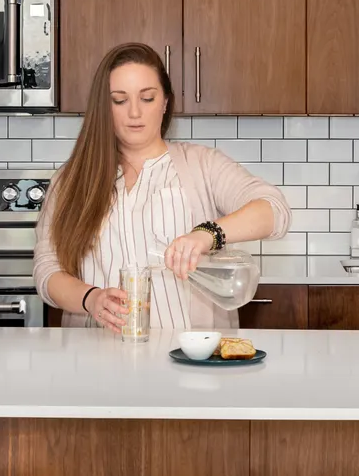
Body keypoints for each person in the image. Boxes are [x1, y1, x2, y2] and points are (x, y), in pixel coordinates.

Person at [33, 42, 290, 331]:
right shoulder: (71, 180)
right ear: (103, 107)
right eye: (119, 100)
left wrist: (207, 235)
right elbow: (47, 269)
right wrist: (90, 299)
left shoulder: (202, 165)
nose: (134, 113)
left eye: (147, 98)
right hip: (96, 361)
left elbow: (274, 210)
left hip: (189, 361)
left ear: (165, 102)